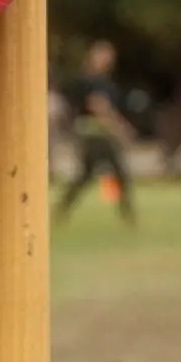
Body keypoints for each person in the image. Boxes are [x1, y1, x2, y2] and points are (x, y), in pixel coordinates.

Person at [55, 40, 138, 226]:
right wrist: (121, 129)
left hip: (93, 132)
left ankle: (61, 210)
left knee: (85, 176)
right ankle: (129, 217)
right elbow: (100, 107)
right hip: (96, 134)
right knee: (118, 173)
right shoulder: (94, 82)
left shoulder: (95, 81)